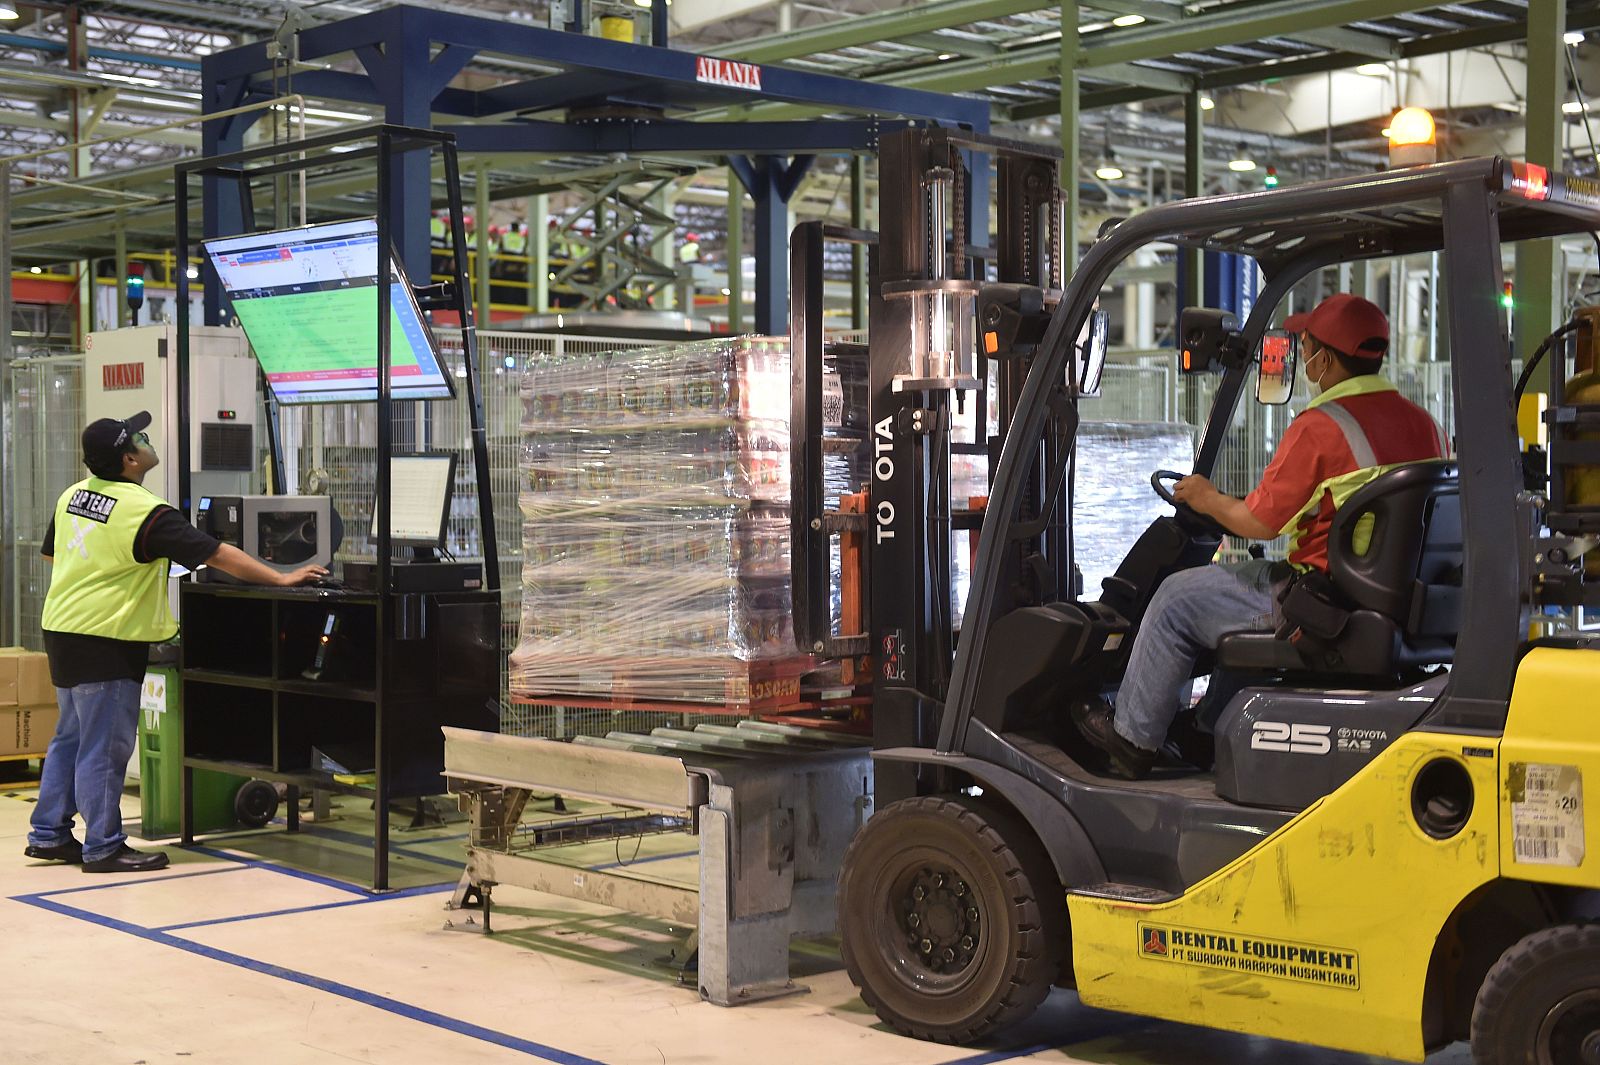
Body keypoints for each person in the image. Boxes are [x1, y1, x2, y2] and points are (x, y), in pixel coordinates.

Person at [1072, 294, 1450, 779]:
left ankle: (1131, 739)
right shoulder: (1427, 426)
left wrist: (1207, 498)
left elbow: (1261, 522)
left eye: (1307, 346)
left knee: (1175, 599)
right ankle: (1202, 731)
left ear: (1326, 359)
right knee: (1235, 585)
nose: (1303, 357)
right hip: (1395, 598)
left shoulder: (1323, 426)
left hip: (1325, 602)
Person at [24, 412, 326, 872]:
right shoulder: (145, 511)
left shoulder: (74, 495)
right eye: (140, 438)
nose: (148, 439)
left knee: (72, 735)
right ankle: (103, 846)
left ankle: (48, 834)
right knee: (104, 747)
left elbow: (53, 553)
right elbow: (217, 553)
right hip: (106, 638)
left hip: (63, 629)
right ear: (129, 459)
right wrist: (281, 579)